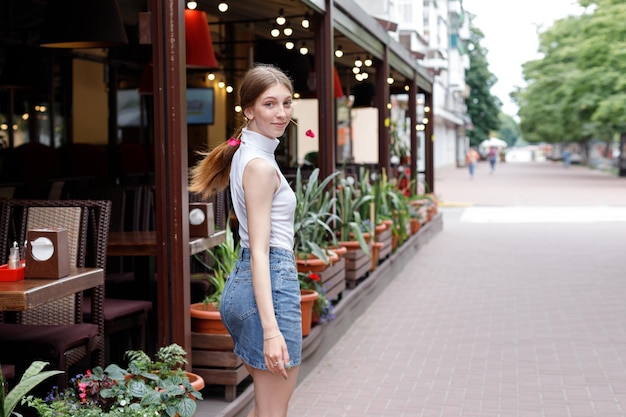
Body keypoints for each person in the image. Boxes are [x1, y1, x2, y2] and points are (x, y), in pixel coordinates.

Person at [189, 64, 300, 417]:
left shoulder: (250, 154)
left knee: (266, 407)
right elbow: (261, 252)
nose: (282, 113)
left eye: (287, 102)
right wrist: (271, 330)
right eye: (270, 104)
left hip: (252, 288)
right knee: (273, 411)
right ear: (248, 110)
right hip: (269, 287)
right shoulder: (259, 165)